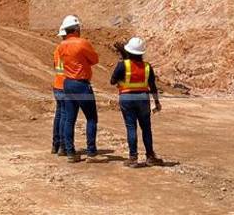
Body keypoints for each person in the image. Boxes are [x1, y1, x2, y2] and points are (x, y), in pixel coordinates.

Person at [110, 37, 163, 167]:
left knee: (131, 127)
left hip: (127, 99)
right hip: (143, 99)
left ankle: (133, 158)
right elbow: (153, 86)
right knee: (146, 128)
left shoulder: (123, 65)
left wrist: (120, 82)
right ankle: (150, 156)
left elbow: (112, 81)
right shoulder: (147, 67)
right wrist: (157, 102)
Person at [58, 15, 103, 163]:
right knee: (91, 118)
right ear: (76, 29)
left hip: (67, 83)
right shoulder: (82, 43)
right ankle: (91, 153)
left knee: (70, 119)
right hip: (81, 84)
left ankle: (70, 153)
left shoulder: (61, 45)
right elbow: (94, 60)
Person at [51, 26, 67, 155]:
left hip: (57, 84)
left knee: (58, 115)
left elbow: (55, 66)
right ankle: (63, 146)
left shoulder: (57, 50)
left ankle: (55, 145)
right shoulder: (69, 49)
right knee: (65, 117)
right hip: (66, 86)